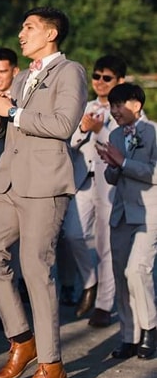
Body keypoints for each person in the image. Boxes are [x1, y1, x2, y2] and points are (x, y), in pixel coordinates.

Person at [0, 7, 86, 378]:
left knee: (36, 269)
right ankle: (22, 338)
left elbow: (62, 125)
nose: (21, 34)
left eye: (29, 27)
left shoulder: (70, 71)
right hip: (7, 183)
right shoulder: (22, 76)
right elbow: (3, 127)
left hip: (44, 185)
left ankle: (52, 364)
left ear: (52, 32)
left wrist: (13, 111)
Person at [64, 54, 126, 326]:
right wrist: (83, 129)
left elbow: (122, 146)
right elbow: (71, 141)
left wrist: (100, 128)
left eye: (107, 78)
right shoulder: (84, 106)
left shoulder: (126, 111)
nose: (100, 82)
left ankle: (103, 304)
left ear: (120, 81)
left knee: (105, 244)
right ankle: (90, 280)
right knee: (72, 234)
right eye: (97, 76)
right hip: (83, 180)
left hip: (110, 184)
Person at [96, 83, 157, 361]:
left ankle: (149, 328)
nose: (115, 111)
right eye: (112, 106)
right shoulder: (116, 134)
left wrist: (123, 163)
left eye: (120, 105)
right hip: (120, 213)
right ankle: (128, 336)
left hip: (148, 214)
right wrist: (111, 165)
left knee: (137, 271)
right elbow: (112, 176)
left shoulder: (154, 131)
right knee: (121, 275)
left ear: (136, 105)